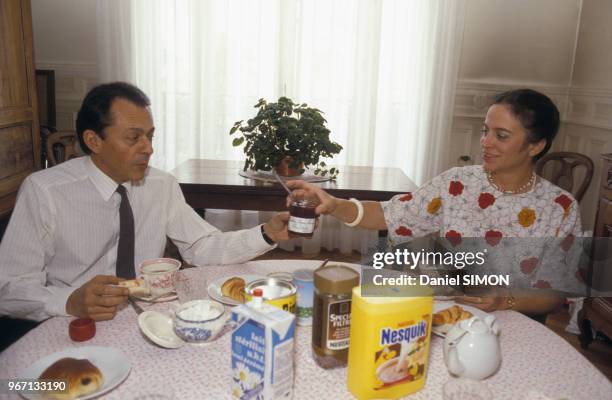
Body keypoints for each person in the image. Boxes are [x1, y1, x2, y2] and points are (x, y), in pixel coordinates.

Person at [0, 82, 290, 322]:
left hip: (150, 315)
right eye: (133, 138)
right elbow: (9, 288)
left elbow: (201, 247)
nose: (148, 148)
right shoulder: (45, 191)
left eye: (150, 136)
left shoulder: (161, 185)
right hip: (73, 323)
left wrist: (266, 234)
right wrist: (69, 301)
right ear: (93, 140)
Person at [287, 89, 583, 315]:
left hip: (515, 321)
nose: (485, 142)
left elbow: (557, 290)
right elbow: (391, 215)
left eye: (501, 135)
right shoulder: (457, 183)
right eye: (485, 131)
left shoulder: (559, 207)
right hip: (447, 310)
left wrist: (504, 300)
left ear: (536, 145)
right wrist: (335, 204)